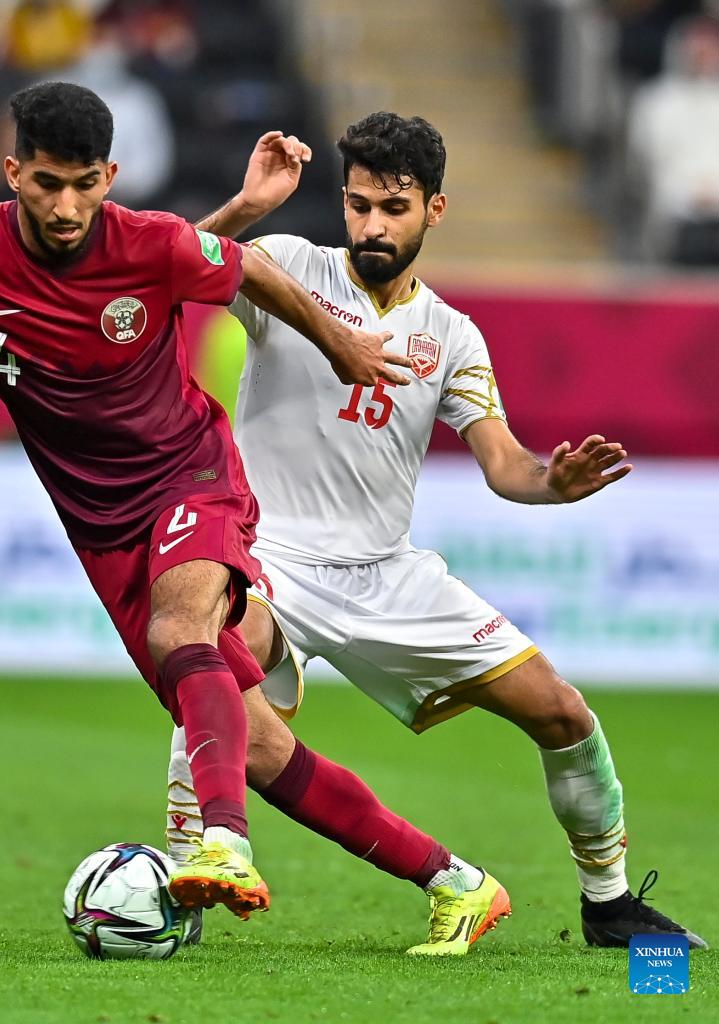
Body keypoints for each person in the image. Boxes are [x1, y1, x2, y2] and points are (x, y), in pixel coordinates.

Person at [0, 82, 416, 924]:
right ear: (13, 171)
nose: (67, 207)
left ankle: (221, 846)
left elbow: (250, 270)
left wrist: (343, 341)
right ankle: (454, 880)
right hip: (100, 526)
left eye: (86, 184)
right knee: (260, 746)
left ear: (112, 174)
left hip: (192, 474)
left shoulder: (149, 239)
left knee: (181, 631)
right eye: (48, 183)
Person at [165, 113, 707, 951]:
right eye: (357, 206)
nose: (372, 226)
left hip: (387, 573)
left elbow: (505, 464)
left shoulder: (452, 336)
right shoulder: (287, 267)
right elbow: (157, 273)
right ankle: (185, 886)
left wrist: (550, 483)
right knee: (210, 651)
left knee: (563, 714)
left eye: (393, 207)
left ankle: (607, 906)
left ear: (435, 209)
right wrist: (242, 206)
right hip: (270, 559)